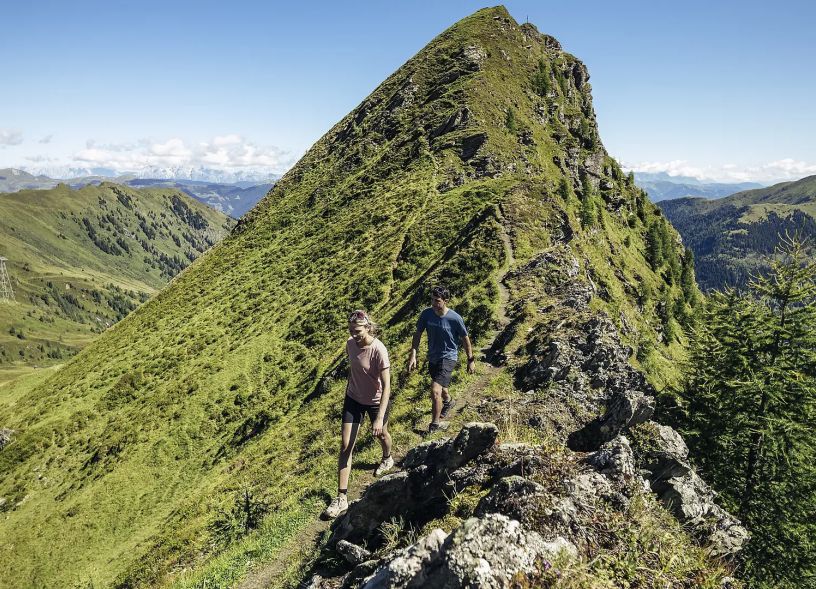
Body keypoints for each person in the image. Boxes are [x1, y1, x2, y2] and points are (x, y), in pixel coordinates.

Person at [322, 309, 394, 519]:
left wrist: (379, 418)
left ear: (368, 328)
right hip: (353, 399)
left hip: (375, 401)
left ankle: (387, 457)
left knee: (381, 434)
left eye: (358, 331)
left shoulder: (379, 350)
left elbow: (387, 386)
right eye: (351, 330)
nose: (354, 334)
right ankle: (341, 498)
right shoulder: (350, 344)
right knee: (345, 445)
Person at [408, 285, 475, 433]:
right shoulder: (426, 314)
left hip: (449, 356)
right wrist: (413, 354)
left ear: (446, 301)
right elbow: (417, 333)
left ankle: (434, 424)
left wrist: (471, 360)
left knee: (435, 391)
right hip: (433, 357)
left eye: (437, 300)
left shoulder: (455, 318)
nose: (433, 303)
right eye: (432, 300)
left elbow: (465, 339)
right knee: (443, 388)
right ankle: (449, 402)